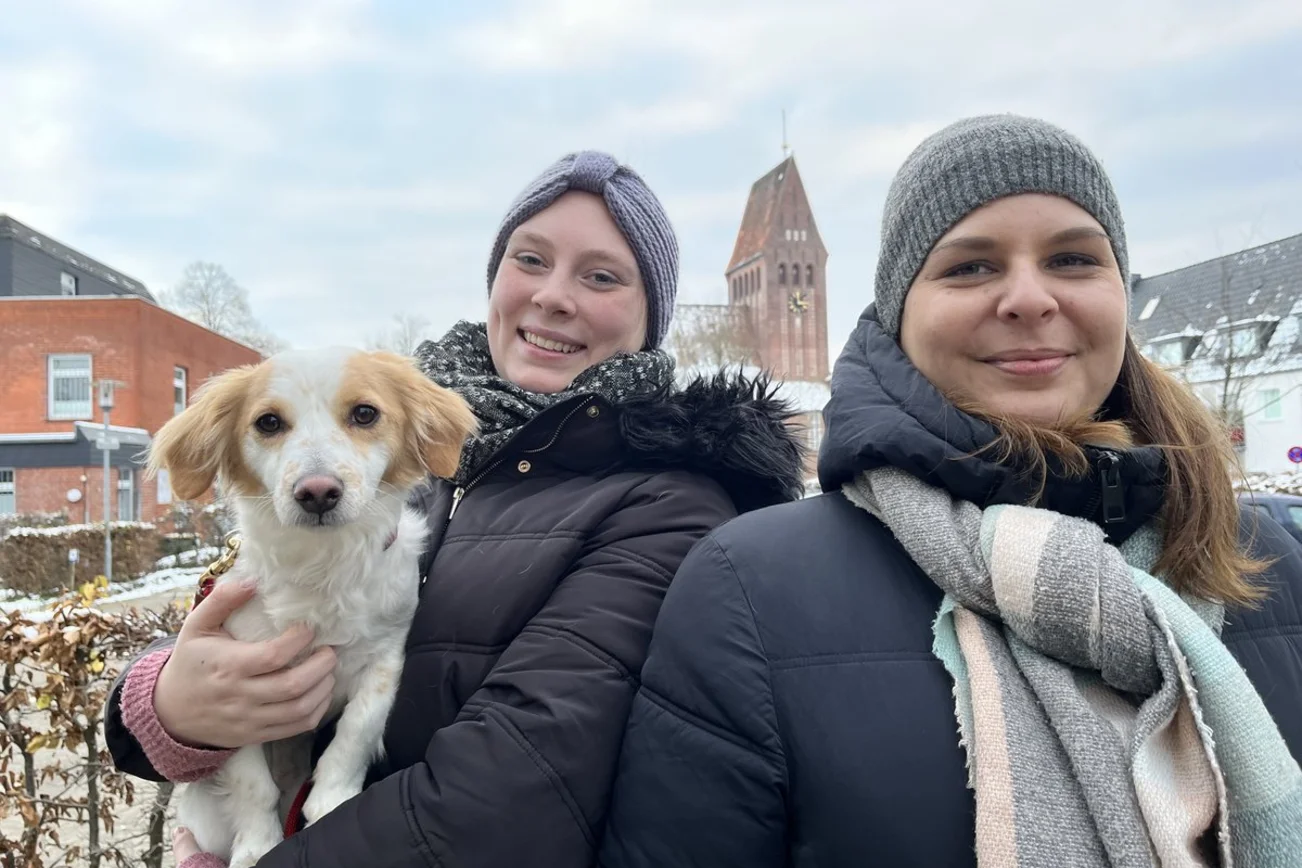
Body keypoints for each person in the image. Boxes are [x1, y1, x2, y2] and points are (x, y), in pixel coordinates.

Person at [598, 116, 1302, 867]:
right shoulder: (751, 591)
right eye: (968, 266)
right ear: (899, 314)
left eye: (1072, 257)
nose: (1029, 299)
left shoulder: (1282, 561)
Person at [104, 150, 807, 868]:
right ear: (496, 278)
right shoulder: (424, 468)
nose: (553, 296)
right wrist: (166, 707)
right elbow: (241, 626)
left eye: (601, 276)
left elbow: (502, 799)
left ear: (651, 314)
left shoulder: (667, 508)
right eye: (530, 259)